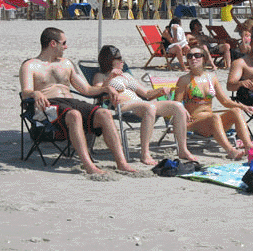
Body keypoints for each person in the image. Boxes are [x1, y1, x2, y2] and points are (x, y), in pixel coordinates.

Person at [19, 27, 135, 174]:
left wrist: (106, 88)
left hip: (70, 102)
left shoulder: (67, 63)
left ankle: (122, 163)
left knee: (104, 113)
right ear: (53, 43)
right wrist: (35, 93)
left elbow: (86, 90)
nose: (66, 47)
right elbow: (25, 93)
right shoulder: (30, 65)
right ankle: (89, 166)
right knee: (74, 115)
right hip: (49, 104)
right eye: (64, 43)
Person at [93, 45, 195, 164]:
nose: (123, 61)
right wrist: (110, 77)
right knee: (149, 107)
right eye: (119, 58)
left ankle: (183, 149)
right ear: (109, 60)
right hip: (125, 107)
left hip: (143, 104)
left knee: (178, 106)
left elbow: (146, 94)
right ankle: (145, 154)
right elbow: (97, 91)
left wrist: (160, 90)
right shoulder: (100, 76)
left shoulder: (126, 75)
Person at [175, 45, 253, 159]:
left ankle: (249, 146)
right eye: (189, 56)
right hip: (194, 123)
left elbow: (224, 101)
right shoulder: (184, 80)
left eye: (197, 55)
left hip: (213, 121)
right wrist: (184, 113)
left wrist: (244, 107)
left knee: (236, 111)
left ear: (204, 58)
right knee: (215, 117)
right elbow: (176, 105)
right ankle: (231, 150)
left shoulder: (211, 77)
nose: (193, 58)